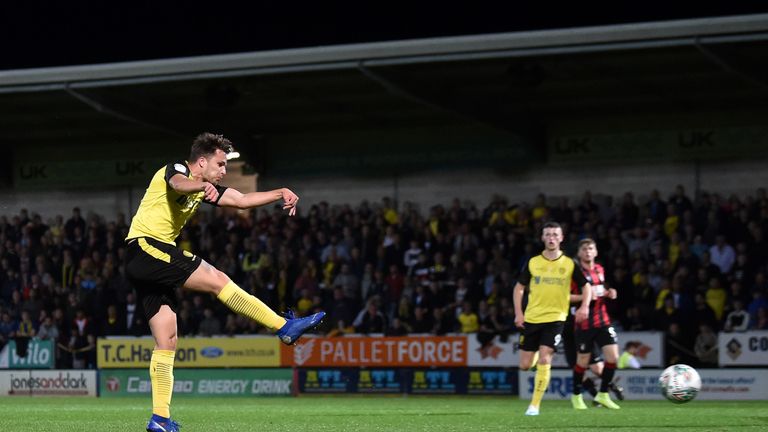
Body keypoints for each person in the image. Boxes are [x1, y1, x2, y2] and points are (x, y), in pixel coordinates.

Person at [124, 133, 325, 432]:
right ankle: (283, 327)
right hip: (146, 248)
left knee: (167, 339)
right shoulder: (176, 170)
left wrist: (280, 192)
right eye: (219, 164)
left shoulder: (205, 189)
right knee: (218, 279)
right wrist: (200, 185)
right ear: (201, 161)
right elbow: (177, 184)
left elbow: (242, 201)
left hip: (148, 261)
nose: (223, 171)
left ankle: (159, 419)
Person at [513, 221, 592, 416]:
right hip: (532, 318)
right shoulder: (533, 262)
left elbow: (586, 286)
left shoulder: (569, 263)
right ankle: (538, 355)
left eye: (555, 235)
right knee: (524, 365)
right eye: (548, 234)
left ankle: (534, 405)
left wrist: (584, 306)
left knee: (546, 358)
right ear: (542, 238)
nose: (551, 238)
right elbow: (519, 288)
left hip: (556, 318)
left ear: (561, 238)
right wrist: (519, 313)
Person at [568, 238, 622, 410]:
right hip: (584, 323)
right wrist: (585, 297)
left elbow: (600, 291)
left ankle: (603, 394)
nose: (588, 252)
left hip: (603, 320)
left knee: (613, 358)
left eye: (591, 248)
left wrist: (609, 292)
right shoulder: (574, 273)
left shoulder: (600, 269)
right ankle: (576, 396)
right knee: (582, 362)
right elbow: (565, 297)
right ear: (579, 253)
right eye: (584, 249)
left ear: (596, 252)